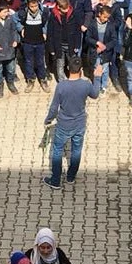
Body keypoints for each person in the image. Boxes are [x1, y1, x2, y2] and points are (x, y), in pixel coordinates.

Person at [42, 54, 102, 190]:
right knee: (76, 150)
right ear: (81, 69)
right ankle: (70, 177)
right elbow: (95, 94)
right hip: (79, 124)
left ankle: (56, 180)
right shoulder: (86, 85)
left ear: (68, 68)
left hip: (64, 124)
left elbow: (53, 107)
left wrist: (48, 120)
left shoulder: (61, 86)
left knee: (57, 150)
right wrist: (97, 77)